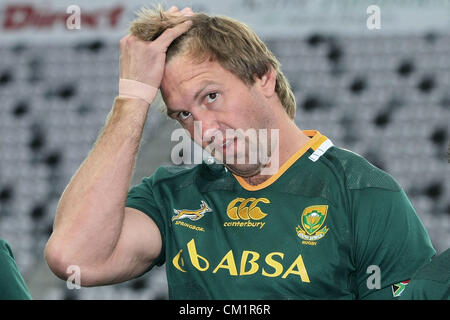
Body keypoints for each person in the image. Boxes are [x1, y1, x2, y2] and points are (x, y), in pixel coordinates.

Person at [45, 5, 436, 299]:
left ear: (263, 76)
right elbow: (74, 257)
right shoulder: (174, 196)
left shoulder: (365, 196)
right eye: (184, 114)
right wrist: (132, 99)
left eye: (211, 96)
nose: (204, 129)